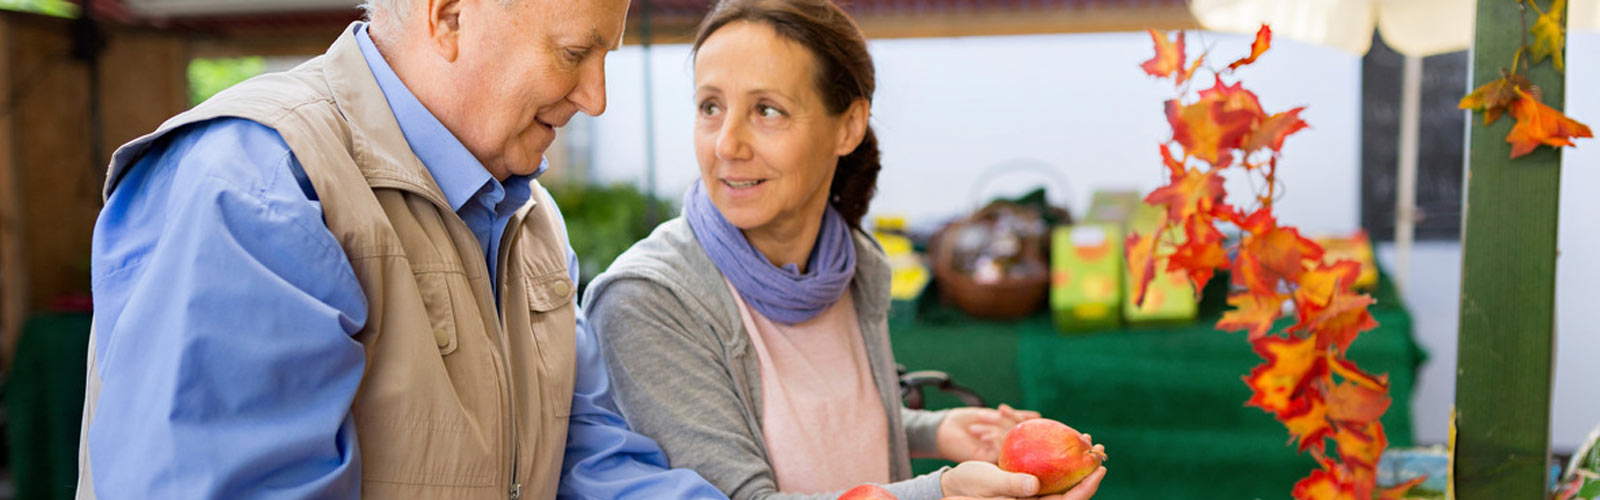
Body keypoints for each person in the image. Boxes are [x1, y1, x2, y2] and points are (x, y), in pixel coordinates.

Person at [77, 0, 728, 498]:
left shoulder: (530, 218)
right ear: (448, 17)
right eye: (573, 52)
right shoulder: (258, 185)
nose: (597, 97)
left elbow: (587, 459)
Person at [581, 1, 1107, 499]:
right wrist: (941, 490)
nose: (726, 145)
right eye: (710, 107)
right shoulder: (646, 301)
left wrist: (936, 430)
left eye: (766, 110)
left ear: (850, 126)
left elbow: (819, 423)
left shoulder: (852, 263)